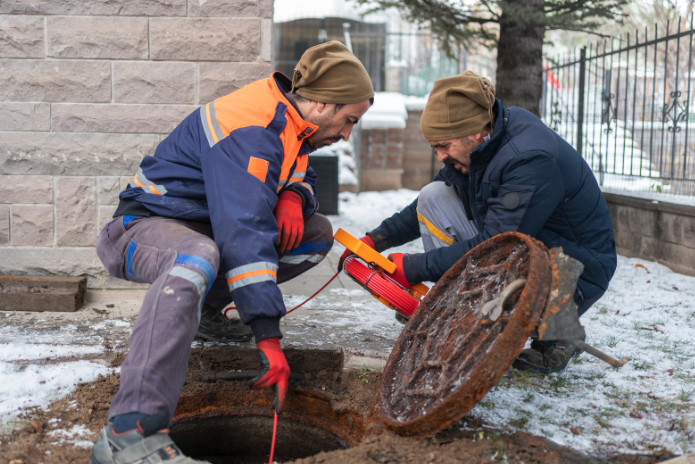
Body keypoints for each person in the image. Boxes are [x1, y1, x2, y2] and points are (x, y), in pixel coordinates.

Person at [90, 41, 374, 464]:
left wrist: (294, 195)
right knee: (197, 256)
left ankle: (207, 314)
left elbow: (297, 171)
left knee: (315, 234)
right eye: (349, 120)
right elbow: (244, 231)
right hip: (138, 229)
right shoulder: (251, 129)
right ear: (320, 104)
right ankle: (129, 431)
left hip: (203, 228)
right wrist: (267, 333)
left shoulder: (293, 124)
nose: (348, 133)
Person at [340, 71, 617, 375]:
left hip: (572, 271)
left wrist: (413, 267)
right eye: (434, 147)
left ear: (474, 132)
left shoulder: (529, 159)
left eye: (443, 145)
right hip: (530, 245)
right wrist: (377, 238)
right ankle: (461, 311)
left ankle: (559, 331)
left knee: (499, 263)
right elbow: (430, 204)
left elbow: (498, 243)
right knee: (433, 196)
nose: (439, 155)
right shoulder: (482, 146)